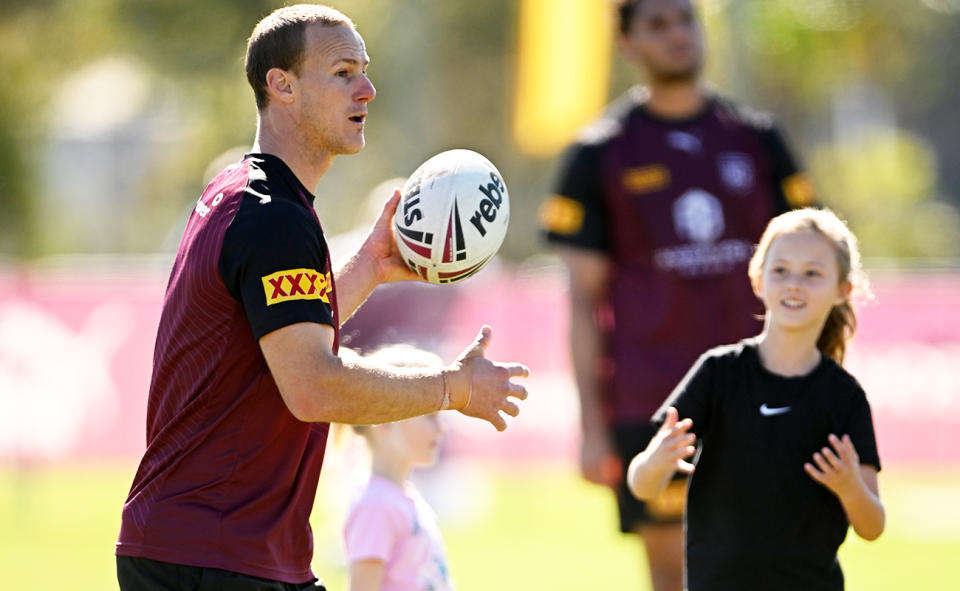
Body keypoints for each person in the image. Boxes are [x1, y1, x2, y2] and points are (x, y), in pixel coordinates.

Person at [115, 5, 529, 590]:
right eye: (342, 73)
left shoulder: (243, 194)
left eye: (365, 69)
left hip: (213, 548)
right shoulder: (274, 219)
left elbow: (271, 347)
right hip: (216, 554)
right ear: (280, 85)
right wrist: (453, 388)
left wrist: (370, 268)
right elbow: (314, 385)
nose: (368, 88)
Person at [539, 1, 815, 588]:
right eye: (657, 25)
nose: (677, 35)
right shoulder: (600, 154)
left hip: (764, 392)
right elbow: (583, 305)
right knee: (676, 573)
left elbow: (814, 274)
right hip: (654, 402)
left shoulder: (758, 140)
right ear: (627, 44)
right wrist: (592, 427)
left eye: (685, 20)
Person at [628, 207, 884, 590]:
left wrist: (849, 487)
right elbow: (642, 486)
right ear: (758, 279)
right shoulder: (718, 373)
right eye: (781, 270)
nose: (794, 283)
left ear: (842, 290)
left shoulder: (844, 397)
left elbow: (872, 526)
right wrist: (655, 461)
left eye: (812, 273)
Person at [343, 345, 455, 591]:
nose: (442, 427)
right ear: (384, 420)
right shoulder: (376, 506)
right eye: (430, 415)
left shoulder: (402, 497)